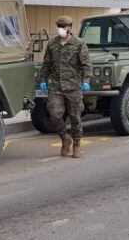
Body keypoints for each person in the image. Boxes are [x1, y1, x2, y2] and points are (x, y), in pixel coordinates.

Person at [39, 15, 91, 158]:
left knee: (75, 117)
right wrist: (43, 79)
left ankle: (77, 144)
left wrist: (86, 81)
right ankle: (65, 139)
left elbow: (86, 65)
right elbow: (46, 64)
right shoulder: (52, 44)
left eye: (63, 27)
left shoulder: (79, 43)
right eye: (59, 27)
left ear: (70, 27)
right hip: (56, 86)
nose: (60, 29)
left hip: (73, 86)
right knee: (54, 114)